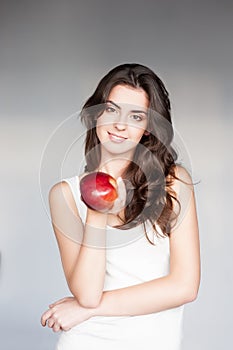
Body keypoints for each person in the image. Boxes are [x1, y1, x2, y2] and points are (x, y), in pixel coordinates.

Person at [41, 63, 200, 350]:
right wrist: (96, 206)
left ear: (148, 130)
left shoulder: (174, 183)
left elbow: (185, 286)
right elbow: (88, 293)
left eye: (136, 116)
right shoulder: (64, 195)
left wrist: (88, 310)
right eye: (112, 110)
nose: (120, 125)